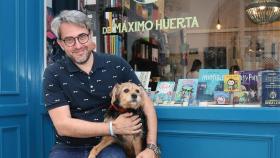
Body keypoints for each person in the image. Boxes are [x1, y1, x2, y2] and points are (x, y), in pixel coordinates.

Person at [43, 10, 159, 158]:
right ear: (61, 43)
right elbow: (63, 126)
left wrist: (151, 147)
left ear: (90, 35)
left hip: (111, 144)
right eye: (69, 40)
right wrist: (112, 127)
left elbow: (147, 103)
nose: (78, 45)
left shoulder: (116, 64)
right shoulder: (53, 73)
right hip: (68, 147)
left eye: (82, 37)